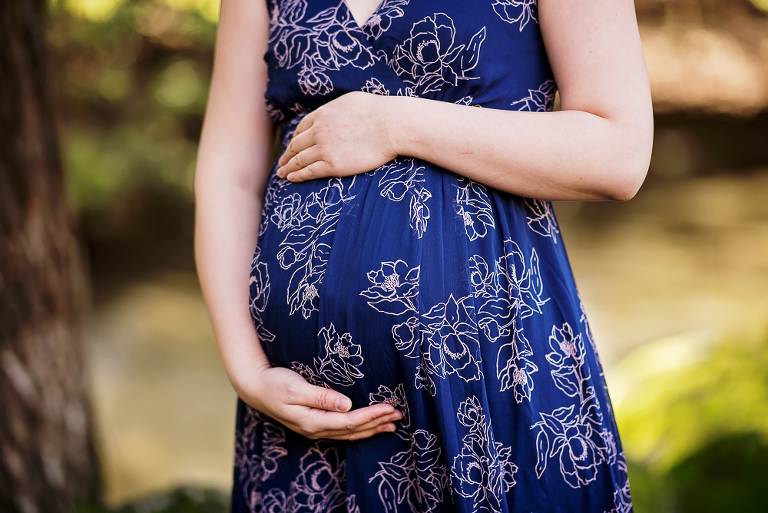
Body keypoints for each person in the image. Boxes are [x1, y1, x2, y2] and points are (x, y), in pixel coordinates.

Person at [194, 0, 653, 510]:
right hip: (298, 429)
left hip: (486, 393)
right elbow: (228, 175)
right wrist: (248, 369)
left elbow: (618, 153)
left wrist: (395, 125)